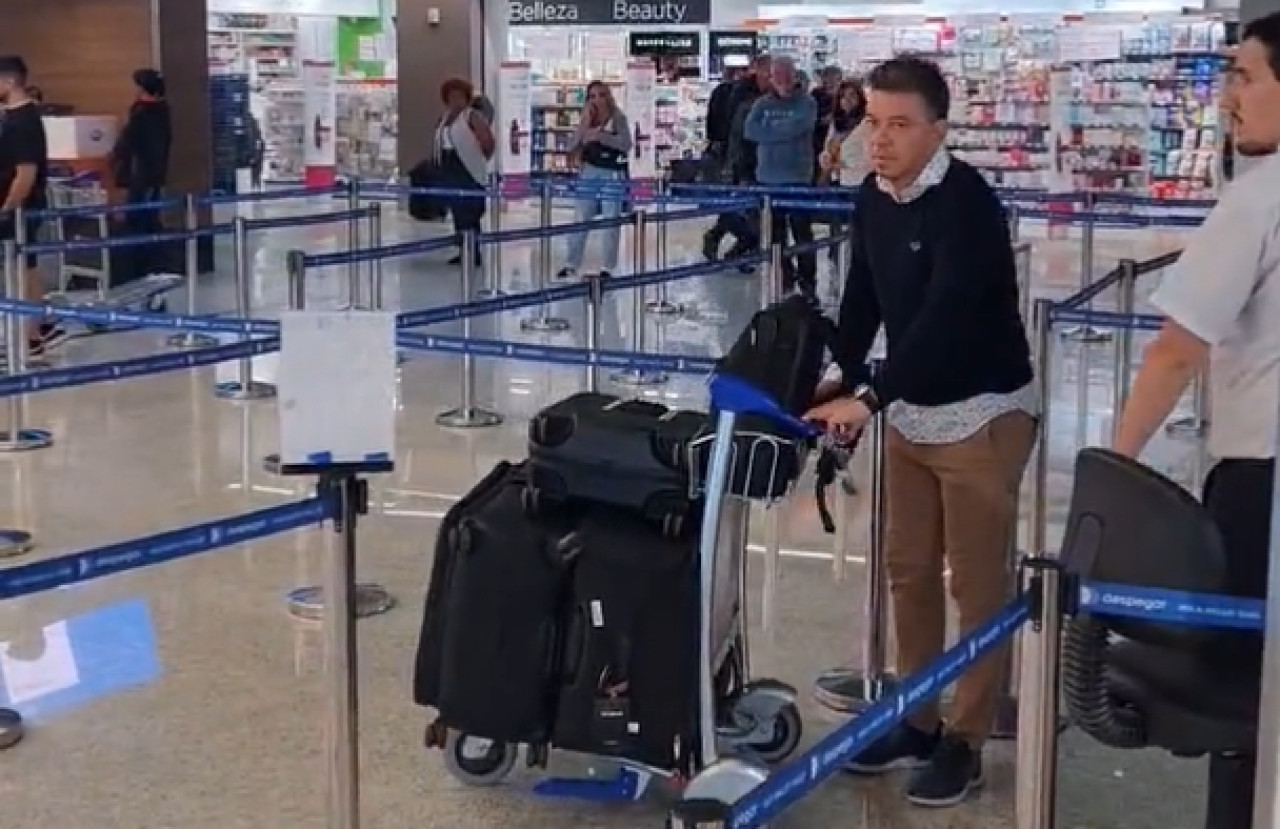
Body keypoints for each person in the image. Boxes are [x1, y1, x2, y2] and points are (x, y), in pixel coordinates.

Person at [805, 56, 1036, 807]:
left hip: (981, 412)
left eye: (900, 125)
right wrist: (838, 373)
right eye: (873, 122)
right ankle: (918, 714)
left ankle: (965, 739)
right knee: (907, 570)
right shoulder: (873, 197)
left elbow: (945, 320)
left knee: (975, 583)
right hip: (909, 410)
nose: (881, 140)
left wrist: (870, 397)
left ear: (939, 129)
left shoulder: (968, 204)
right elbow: (864, 295)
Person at [1110, 14, 1280, 828]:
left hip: (1259, 480)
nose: (1229, 97)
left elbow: (1175, 352)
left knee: (1246, 701)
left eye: (1245, 76)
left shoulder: (1259, 200)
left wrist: (1111, 475)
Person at [744, 56, 818, 295]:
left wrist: (770, 133)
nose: (782, 80)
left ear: (794, 75)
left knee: (802, 234)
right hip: (768, 179)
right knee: (775, 237)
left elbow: (801, 126)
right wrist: (781, 133)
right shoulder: (761, 104)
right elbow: (750, 130)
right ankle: (785, 277)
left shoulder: (807, 102)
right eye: (777, 75)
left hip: (798, 179)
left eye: (786, 74)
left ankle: (808, 282)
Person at [0, 56, 58, 354]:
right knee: (26, 267)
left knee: (20, 268)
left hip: (22, 207)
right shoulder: (13, 116)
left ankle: (29, 333)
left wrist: (8, 207)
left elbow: (25, 172)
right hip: (21, 205)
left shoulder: (23, 121)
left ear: (10, 81)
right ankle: (35, 329)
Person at [556, 80, 632, 279]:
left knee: (610, 219)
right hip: (589, 171)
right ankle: (571, 263)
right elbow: (572, 145)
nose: (597, 100)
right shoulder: (586, 118)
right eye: (592, 96)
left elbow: (626, 144)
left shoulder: (618, 118)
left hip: (612, 172)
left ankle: (608, 266)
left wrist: (601, 137)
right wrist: (583, 126)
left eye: (601, 94)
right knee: (581, 217)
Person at [702, 54, 770, 266]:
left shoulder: (764, 94)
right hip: (741, 159)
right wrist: (731, 162)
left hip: (758, 158)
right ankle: (739, 250)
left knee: (747, 208)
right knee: (747, 210)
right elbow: (733, 130)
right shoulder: (740, 94)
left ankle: (727, 244)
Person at [434, 78, 494, 266]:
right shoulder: (444, 118)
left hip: (467, 169)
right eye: (451, 96)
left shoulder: (472, 116)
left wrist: (480, 159)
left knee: (470, 212)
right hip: (449, 167)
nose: (455, 100)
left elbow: (488, 142)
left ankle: (473, 252)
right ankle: (463, 250)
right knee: (457, 212)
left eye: (459, 96)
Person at [112, 68, 172, 238]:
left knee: (139, 219)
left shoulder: (145, 115)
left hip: (142, 176)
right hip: (149, 176)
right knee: (146, 216)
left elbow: (129, 144)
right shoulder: (159, 112)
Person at [819, 79, 871, 259]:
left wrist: (844, 165)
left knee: (856, 229)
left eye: (851, 96)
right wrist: (826, 159)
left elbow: (869, 158)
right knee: (836, 227)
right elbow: (827, 147)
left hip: (858, 183)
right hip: (836, 182)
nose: (847, 101)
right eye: (842, 97)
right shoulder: (836, 123)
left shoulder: (868, 125)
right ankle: (837, 259)